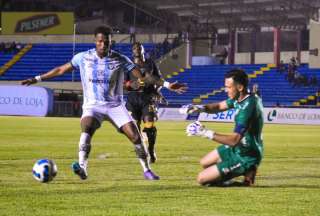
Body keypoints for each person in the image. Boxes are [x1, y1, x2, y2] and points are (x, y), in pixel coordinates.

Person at [21, 26, 186, 181]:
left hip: (115, 106)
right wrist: (37, 79)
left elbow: (144, 76)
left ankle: (147, 170)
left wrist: (167, 85)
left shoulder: (120, 59)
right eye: (100, 41)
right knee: (87, 128)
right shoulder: (83, 58)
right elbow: (61, 69)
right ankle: (82, 167)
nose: (103, 44)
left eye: (106, 41)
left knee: (135, 136)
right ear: (95, 41)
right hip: (93, 105)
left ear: (110, 42)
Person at [184, 69, 264, 186]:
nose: (226, 90)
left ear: (240, 87)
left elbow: (234, 140)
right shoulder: (240, 98)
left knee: (202, 179)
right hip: (240, 147)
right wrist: (199, 108)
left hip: (247, 154)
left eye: (229, 87)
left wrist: (204, 132)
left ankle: (247, 172)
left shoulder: (247, 108)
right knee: (205, 162)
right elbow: (219, 106)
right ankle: (237, 172)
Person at [125, 42, 187, 163]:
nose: (137, 49)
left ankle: (151, 150)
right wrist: (130, 85)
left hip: (147, 98)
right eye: (134, 48)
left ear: (143, 50)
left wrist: (158, 91)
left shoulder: (150, 63)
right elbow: (124, 84)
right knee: (134, 130)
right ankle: (142, 147)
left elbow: (156, 79)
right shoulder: (128, 65)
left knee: (150, 126)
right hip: (132, 98)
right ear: (132, 51)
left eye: (139, 47)